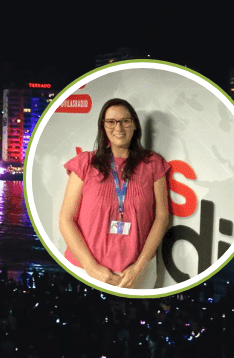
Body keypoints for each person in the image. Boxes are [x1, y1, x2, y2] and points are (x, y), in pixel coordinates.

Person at [59, 98, 170, 289]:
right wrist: (91, 267)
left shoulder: (153, 164)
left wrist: (139, 267)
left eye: (125, 121)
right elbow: (66, 219)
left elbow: (162, 217)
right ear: (103, 127)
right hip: (85, 272)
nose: (118, 127)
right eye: (111, 121)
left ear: (134, 125)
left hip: (138, 275)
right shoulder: (85, 163)